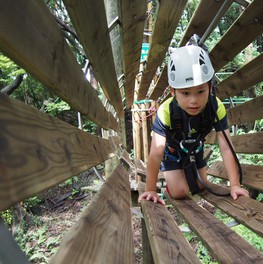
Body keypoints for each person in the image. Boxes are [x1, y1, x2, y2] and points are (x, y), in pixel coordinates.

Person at [138, 45, 249, 205]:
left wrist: (235, 185)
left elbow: (226, 146)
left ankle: (186, 172)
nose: (193, 100)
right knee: (180, 192)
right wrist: (150, 189)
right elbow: (156, 153)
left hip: (196, 146)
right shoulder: (166, 111)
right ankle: (174, 178)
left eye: (200, 91)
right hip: (172, 149)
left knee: (201, 186)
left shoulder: (215, 106)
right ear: (172, 91)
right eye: (185, 93)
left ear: (210, 87)